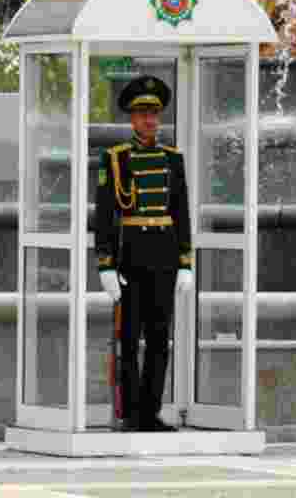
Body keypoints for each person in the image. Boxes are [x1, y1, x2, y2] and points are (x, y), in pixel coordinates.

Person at [95, 75, 194, 432]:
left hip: (164, 257)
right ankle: (131, 413)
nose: (149, 120)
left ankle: (150, 412)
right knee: (128, 337)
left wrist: (186, 261)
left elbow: (181, 212)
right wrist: (105, 264)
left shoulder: (173, 159)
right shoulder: (115, 159)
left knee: (158, 338)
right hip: (131, 258)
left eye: (154, 113)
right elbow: (105, 214)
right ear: (132, 119)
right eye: (142, 114)